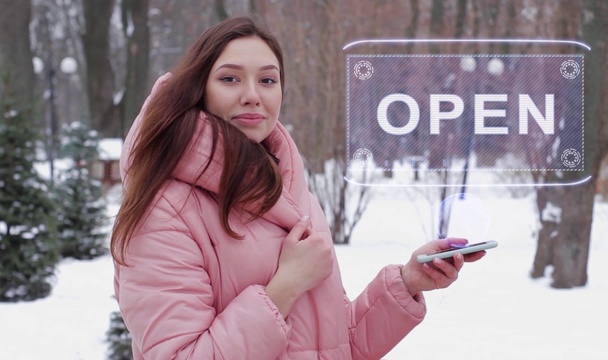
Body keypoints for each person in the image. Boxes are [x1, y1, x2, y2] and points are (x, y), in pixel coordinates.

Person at [111, 15, 486, 360]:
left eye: (268, 80)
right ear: (198, 90)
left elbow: (334, 346)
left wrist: (407, 282)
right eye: (230, 78)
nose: (253, 94)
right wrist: (285, 287)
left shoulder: (286, 190)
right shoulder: (162, 212)